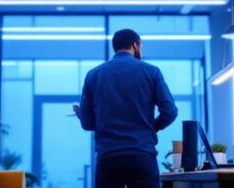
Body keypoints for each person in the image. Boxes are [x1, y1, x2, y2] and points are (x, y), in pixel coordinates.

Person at [76, 29, 178, 188]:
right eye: (141, 46)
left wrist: (92, 119)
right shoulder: (151, 72)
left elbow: (87, 123)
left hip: (108, 157)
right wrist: (151, 128)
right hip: (142, 154)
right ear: (135, 45)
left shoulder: (93, 75)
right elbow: (170, 112)